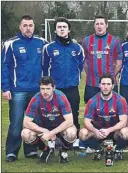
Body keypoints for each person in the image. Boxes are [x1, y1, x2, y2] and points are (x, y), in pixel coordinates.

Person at [2, 15, 48, 162]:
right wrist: (5, 88)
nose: (28, 28)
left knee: (34, 121)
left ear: (34, 26)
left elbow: (47, 65)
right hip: (17, 90)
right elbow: (4, 67)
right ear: (20, 27)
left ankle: (31, 149)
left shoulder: (42, 43)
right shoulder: (10, 44)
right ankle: (12, 151)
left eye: (30, 25)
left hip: (37, 90)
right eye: (25, 25)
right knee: (16, 121)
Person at [42, 17, 84, 147]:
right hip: (55, 89)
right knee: (53, 114)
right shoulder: (48, 48)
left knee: (73, 112)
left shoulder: (77, 48)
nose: (62, 29)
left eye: (64, 27)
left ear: (68, 29)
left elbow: (80, 66)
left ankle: (74, 140)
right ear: (55, 30)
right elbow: (44, 67)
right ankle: (53, 140)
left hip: (72, 87)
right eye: (59, 27)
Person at [21, 76, 77, 163]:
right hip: (44, 127)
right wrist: (44, 131)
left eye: (48, 88)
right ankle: (45, 148)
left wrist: (52, 133)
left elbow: (70, 121)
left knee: (71, 133)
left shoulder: (61, 97)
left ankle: (63, 150)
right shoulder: (36, 99)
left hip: (60, 127)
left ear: (53, 88)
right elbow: (26, 122)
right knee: (25, 134)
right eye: (42, 89)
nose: (45, 92)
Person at [79, 74, 128, 161]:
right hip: (98, 131)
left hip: (114, 131)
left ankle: (117, 150)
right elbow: (86, 121)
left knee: (126, 131)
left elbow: (123, 122)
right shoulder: (92, 101)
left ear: (113, 86)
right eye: (103, 84)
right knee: (82, 133)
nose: (105, 87)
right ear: (99, 85)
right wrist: (95, 131)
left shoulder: (120, 100)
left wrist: (109, 130)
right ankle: (99, 149)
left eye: (108, 84)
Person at [81, 15, 123, 104]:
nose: (99, 26)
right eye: (97, 24)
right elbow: (85, 62)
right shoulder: (86, 41)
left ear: (106, 25)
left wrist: (110, 76)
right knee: (91, 111)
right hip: (92, 84)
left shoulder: (115, 41)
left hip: (110, 84)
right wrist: (91, 74)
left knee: (112, 111)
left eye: (102, 24)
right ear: (94, 25)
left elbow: (119, 63)